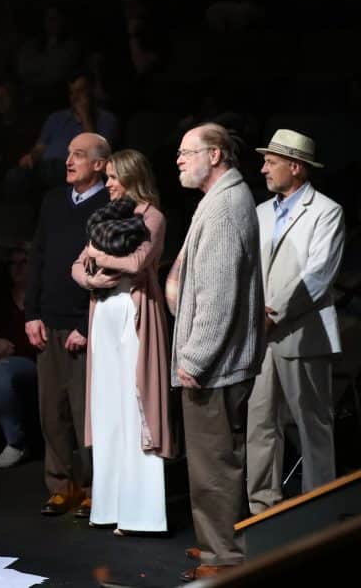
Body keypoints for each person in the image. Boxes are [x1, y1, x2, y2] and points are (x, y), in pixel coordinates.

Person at [170, 123, 265, 582]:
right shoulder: (225, 199)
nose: (179, 160)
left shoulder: (225, 206)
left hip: (216, 367)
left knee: (213, 465)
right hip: (224, 363)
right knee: (218, 461)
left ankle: (223, 558)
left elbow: (218, 295)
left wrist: (195, 358)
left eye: (187, 152)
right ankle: (220, 542)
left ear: (215, 155)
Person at [72, 150, 174, 534]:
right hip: (104, 317)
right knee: (107, 410)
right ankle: (109, 508)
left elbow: (136, 264)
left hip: (135, 319)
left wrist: (97, 256)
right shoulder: (109, 215)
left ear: (132, 177)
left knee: (135, 409)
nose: (109, 183)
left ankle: (141, 514)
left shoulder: (152, 217)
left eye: (114, 177)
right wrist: (90, 279)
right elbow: (76, 266)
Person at [247, 129, 344, 512]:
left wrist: (275, 313)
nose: (264, 169)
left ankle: (319, 513)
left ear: (296, 166)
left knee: (311, 425)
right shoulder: (260, 212)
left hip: (303, 333)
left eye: (271, 162)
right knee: (260, 424)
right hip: (261, 333)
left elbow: (318, 275)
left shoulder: (327, 211)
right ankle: (262, 510)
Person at [25, 132, 111, 518]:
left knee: (86, 415)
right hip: (48, 320)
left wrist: (85, 324)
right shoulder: (53, 200)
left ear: (99, 164)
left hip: (84, 325)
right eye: (68, 153)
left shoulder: (110, 203)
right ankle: (60, 486)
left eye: (78, 155)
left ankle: (96, 488)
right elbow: (38, 256)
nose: (68, 160)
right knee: (51, 412)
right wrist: (31, 313)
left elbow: (108, 271)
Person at [0, 246, 40, 467]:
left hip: (30, 359)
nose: (17, 268)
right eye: (12, 264)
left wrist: (7, 349)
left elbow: (41, 338)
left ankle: (17, 443)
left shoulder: (42, 296)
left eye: (23, 262)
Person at [21, 72, 118, 191]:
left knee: (58, 170)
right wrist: (32, 156)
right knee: (17, 175)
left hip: (72, 169)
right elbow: (40, 147)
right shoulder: (56, 117)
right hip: (45, 168)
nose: (75, 97)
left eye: (80, 91)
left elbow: (98, 155)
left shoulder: (106, 118)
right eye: (72, 92)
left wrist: (85, 116)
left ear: (91, 91)